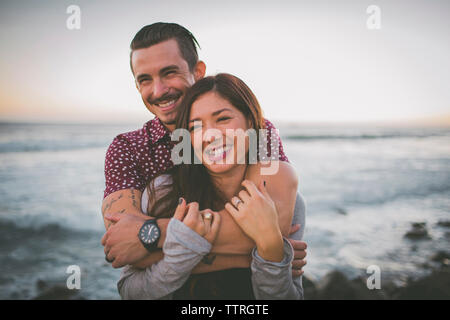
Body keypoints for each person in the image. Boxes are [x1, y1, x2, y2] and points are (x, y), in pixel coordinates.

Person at [100, 23, 307, 289]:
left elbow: (268, 226)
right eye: (145, 80)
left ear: (198, 72)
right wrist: (262, 253)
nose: (159, 90)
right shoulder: (128, 148)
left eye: (169, 73)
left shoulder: (257, 132)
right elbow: (125, 248)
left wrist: (151, 236)